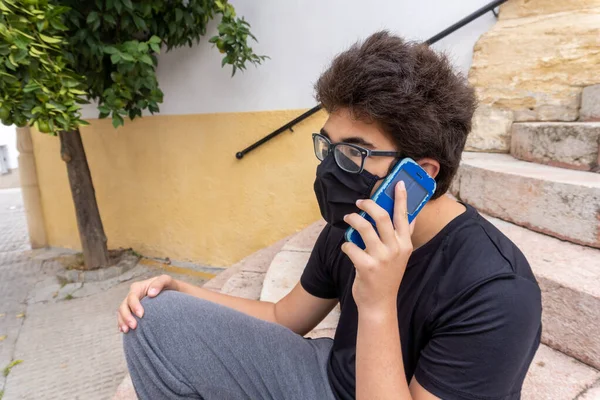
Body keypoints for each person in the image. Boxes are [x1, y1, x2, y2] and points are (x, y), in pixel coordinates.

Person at [118, 31, 542, 400]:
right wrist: (183, 291)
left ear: (421, 173)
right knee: (156, 317)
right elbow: (285, 318)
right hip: (328, 378)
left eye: (354, 152)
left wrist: (378, 301)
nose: (331, 169)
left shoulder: (497, 291)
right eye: (328, 146)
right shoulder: (353, 227)